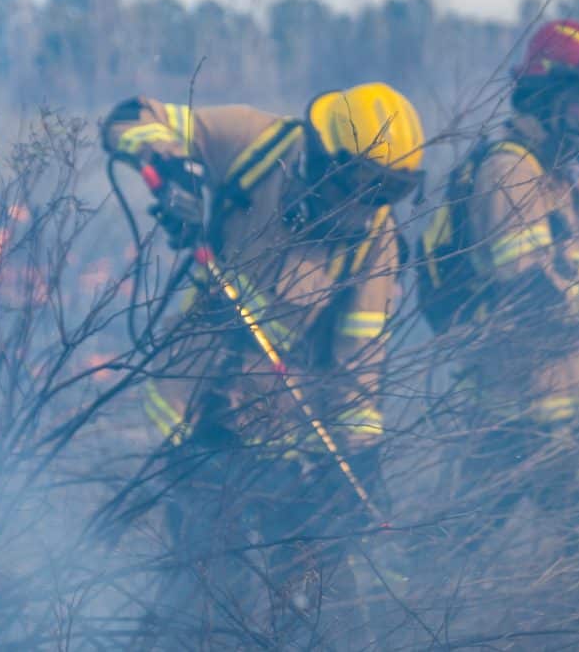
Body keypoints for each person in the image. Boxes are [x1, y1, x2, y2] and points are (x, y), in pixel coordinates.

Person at [102, 82, 424, 647]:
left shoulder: (375, 239)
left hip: (282, 436)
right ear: (325, 158)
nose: (364, 210)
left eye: (383, 196)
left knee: (312, 601)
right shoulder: (254, 141)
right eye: (357, 190)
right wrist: (174, 170)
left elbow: (357, 365)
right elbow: (132, 116)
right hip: (188, 409)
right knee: (204, 590)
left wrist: (359, 460)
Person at [417, 19, 579, 583]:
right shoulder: (510, 172)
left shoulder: (553, 170)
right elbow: (530, 298)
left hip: (562, 398)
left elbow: (560, 277)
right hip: (526, 409)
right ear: (546, 97)